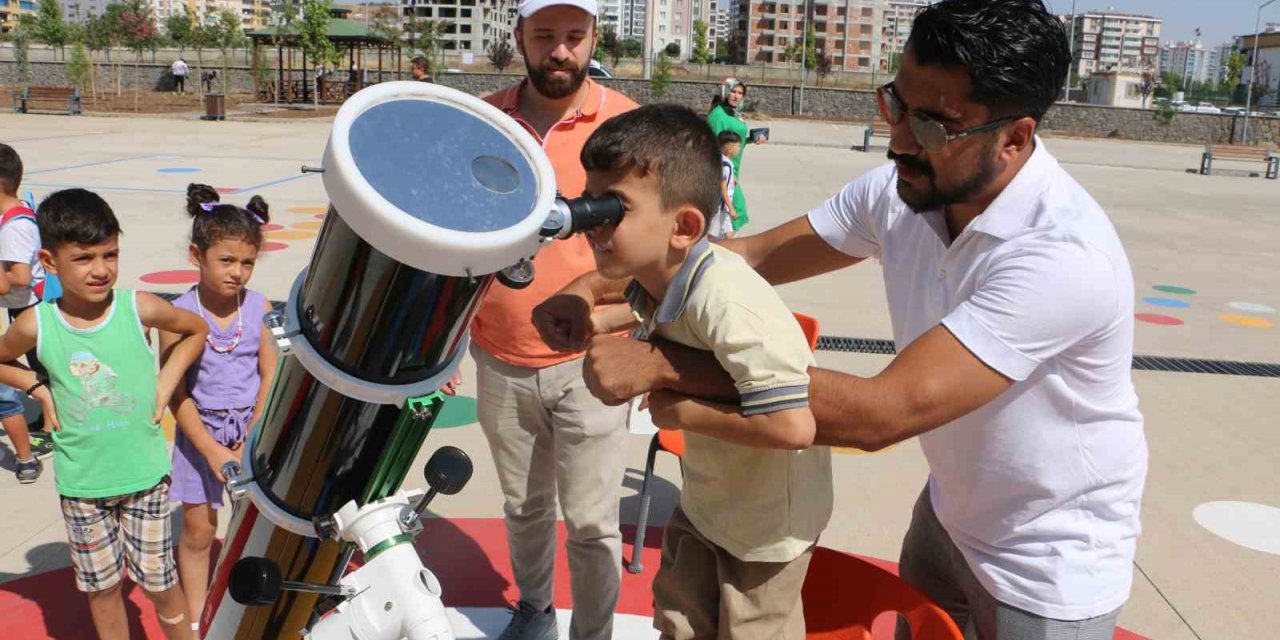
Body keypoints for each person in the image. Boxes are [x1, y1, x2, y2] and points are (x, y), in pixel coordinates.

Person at [536, 1, 1147, 639]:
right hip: (948, 514)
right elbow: (746, 256)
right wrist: (590, 286)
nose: (899, 140)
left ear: (1014, 138)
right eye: (896, 105)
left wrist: (663, 365)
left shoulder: (1062, 256)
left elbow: (878, 414)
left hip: (1047, 561)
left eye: (933, 126)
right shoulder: (902, 190)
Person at [580, 104, 831, 639]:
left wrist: (678, 409)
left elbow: (793, 427)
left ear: (684, 226)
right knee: (678, 623)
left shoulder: (727, 300)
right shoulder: (657, 281)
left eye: (612, 207)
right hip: (708, 503)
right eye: (588, 202)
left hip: (766, 530)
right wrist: (583, 317)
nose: (591, 223)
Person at [476, 1, 637, 638]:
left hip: (590, 363)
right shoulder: (484, 120)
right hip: (500, 356)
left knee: (593, 522)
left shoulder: (628, 126)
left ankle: (592, 633)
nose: (561, 50)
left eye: (574, 35)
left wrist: (616, 322)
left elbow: (658, 253)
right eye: (545, 35)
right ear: (519, 35)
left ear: (594, 37)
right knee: (524, 506)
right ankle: (535, 609)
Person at [0, 188, 208, 640]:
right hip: (83, 487)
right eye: (83, 258)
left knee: (161, 584)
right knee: (103, 589)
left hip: (145, 478)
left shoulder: (139, 307)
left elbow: (195, 329)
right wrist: (37, 387)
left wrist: (166, 381)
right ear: (49, 262)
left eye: (110, 254)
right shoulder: (37, 323)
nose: (100, 269)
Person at [167, 184, 278, 634]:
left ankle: (243, 607)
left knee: (250, 526)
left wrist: (253, 433)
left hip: (251, 433)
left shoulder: (259, 308)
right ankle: (198, 617)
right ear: (197, 255)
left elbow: (270, 375)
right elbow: (175, 392)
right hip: (199, 437)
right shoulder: (177, 313)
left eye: (247, 262)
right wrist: (211, 449)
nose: (238, 272)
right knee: (198, 531)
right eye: (227, 260)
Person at [0, 143, 52, 483]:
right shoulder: (12, 217)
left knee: (41, 365)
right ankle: (48, 417)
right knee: (36, 364)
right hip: (24, 304)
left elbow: (17, 278)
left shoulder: (14, 226)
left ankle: (51, 428)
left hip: (30, 305)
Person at [706, 78, 764, 233]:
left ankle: (722, 242)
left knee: (728, 216)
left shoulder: (732, 113)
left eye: (740, 93)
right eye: (733, 91)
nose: (737, 96)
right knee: (735, 210)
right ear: (725, 91)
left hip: (733, 169)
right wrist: (726, 174)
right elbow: (714, 146)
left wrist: (751, 139)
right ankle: (722, 243)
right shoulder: (718, 116)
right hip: (724, 171)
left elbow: (731, 140)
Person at [710, 130, 741, 239]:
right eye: (737, 146)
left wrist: (732, 179)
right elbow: (723, 189)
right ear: (729, 148)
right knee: (719, 235)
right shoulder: (725, 165)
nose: (739, 149)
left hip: (722, 207)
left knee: (725, 234)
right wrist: (731, 208)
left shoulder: (722, 160)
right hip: (721, 208)